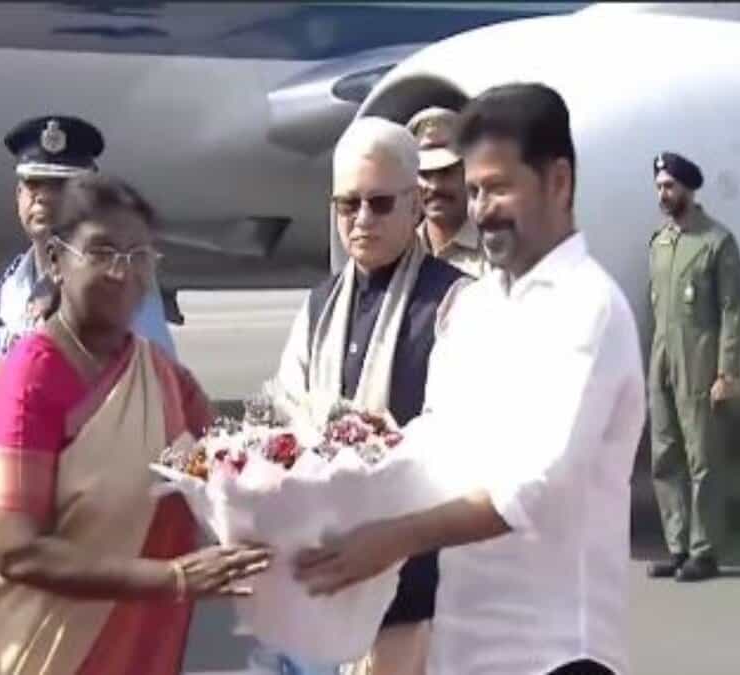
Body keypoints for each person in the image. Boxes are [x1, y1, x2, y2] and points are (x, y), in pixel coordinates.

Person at [294, 83, 646, 675]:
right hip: (463, 649)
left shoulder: (588, 307)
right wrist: (324, 490)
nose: (482, 210)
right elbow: (436, 440)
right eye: (475, 190)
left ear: (559, 182)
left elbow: (532, 488)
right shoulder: (476, 305)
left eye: (500, 188)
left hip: (557, 652)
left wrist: (392, 539)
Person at [0, 174, 270, 675]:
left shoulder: (162, 375)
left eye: (139, 255)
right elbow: (15, 550)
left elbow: (230, 468)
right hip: (41, 646)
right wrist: (171, 578)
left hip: (138, 643)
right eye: (100, 252)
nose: (122, 272)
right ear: (55, 260)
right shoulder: (31, 379)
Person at [273, 116, 468, 675]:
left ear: (416, 205)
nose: (361, 220)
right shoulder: (319, 305)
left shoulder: (455, 301)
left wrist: (374, 446)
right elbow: (287, 409)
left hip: (422, 590)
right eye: (347, 204)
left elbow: (462, 431)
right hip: (329, 573)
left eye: (380, 204)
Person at [0, 115, 178, 360]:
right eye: (33, 184)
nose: (43, 197)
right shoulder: (15, 284)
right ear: (19, 194)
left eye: (59, 186)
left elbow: (155, 371)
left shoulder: (117, 280)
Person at [646, 151, 740, 582]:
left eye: (669, 186)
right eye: (659, 187)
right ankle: (678, 546)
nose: (663, 195)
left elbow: (731, 309)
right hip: (662, 359)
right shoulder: (660, 243)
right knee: (665, 455)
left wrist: (727, 371)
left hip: (699, 359)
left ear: (688, 188)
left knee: (702, 459)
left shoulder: (716, 242)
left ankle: (704, 550)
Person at [406, 106, 488, 278]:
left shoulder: (496, 249)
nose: (434, 186)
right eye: (425, 174)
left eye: (446, 171)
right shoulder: (401, 250)